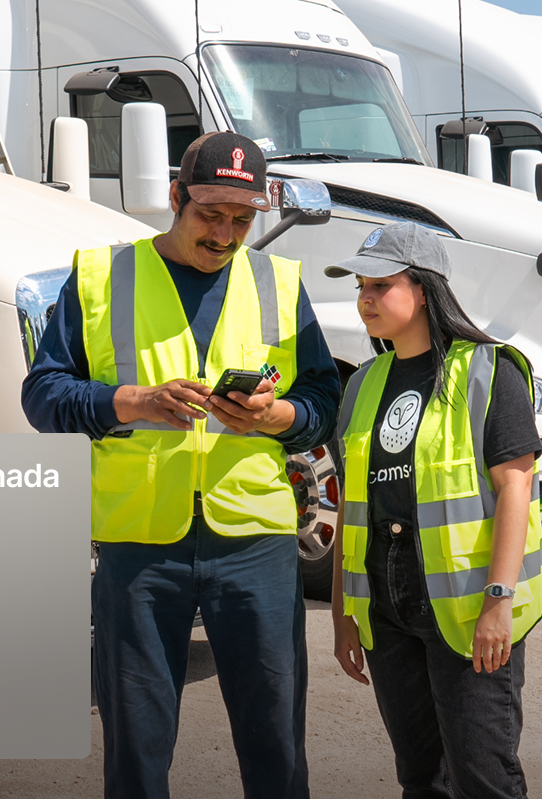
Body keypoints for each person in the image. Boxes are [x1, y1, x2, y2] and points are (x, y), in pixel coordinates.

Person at [21, 131, 340, 799]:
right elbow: (43, 397)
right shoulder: (100, 277)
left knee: (277, 747)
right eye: (209, 214)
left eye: (242, 219)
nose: (225, 234)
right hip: (138, 548)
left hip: (255, 545)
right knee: (136, 755)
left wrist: (274, 417)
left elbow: (320, 401)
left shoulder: (279, 283)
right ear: (174, 196)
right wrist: (128, 401)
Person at [325, 222, 542, 799]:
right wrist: (342, 613)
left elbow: (516, 488)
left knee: (483, 778)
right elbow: (355, 507)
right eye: (360, 287)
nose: (365, 300)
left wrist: (499, 602)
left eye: (381, 285)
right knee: (420, 779)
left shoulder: (488, 371)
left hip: (468, 603)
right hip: (383, 604)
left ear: (424, 289)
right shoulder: (363, 385)